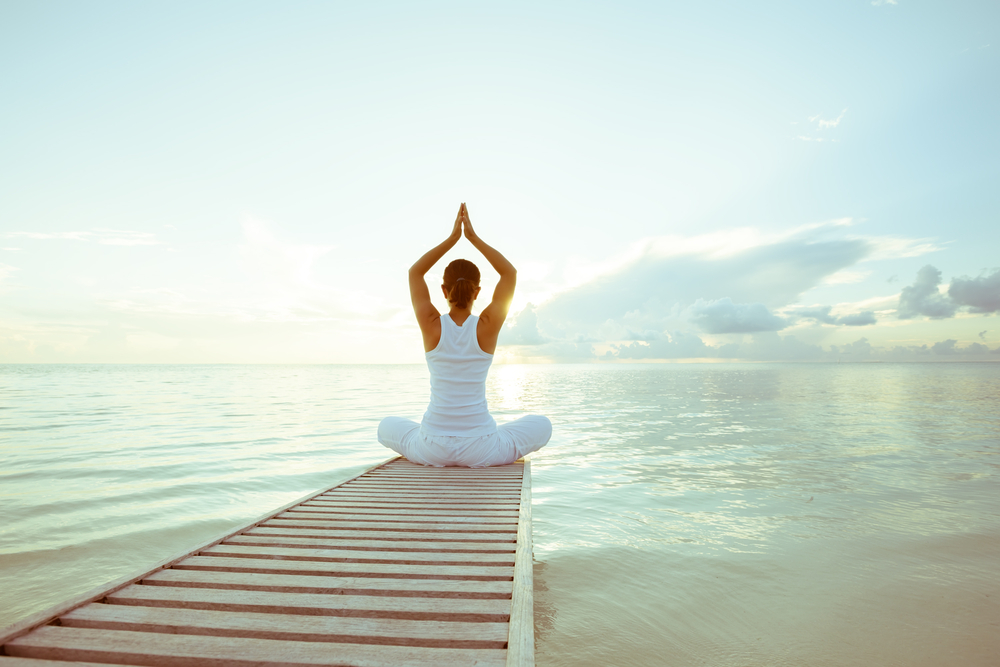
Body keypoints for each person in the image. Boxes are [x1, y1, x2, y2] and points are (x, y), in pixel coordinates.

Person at [378, 203, 552, 467]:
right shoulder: (486, 325)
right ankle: (488, 435)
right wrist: (472, 238)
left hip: (432, 446)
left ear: (444, 290)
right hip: (481, 448)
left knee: (385, 426)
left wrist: (452, 239)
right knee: (542, 424)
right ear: (478, 291)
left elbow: (415, 272)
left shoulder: (431, 324)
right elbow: (509, 273)